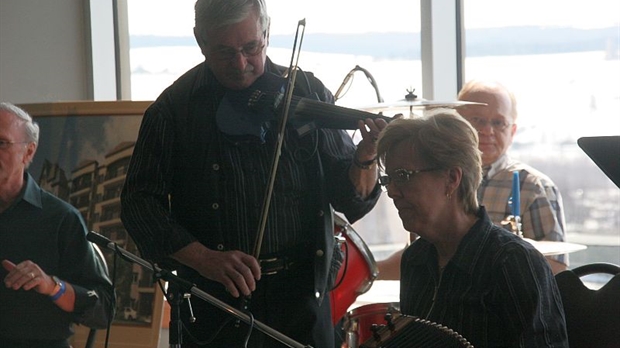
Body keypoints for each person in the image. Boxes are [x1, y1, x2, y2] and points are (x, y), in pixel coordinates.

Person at [120, 0, 383, 347]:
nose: (241, 65)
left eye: (250, 48)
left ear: (267, 33)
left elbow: (351, 201)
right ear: (200, 41)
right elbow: (138, 205)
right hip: (212, 304)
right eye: (225, 53)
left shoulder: (305, 93)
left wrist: (365, 158)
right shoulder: (174, 109)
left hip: (303, 300)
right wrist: (204, 259)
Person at [376, 111, 568, 347]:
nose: (393, 191)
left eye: (403, 176)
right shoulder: (415, 258)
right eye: (388, 180)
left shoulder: (514, 263)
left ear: (452, 178)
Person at [377, 80, 568, 278]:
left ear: (512, 132)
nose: (487, 130)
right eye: (477, 121)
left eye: (498, 122)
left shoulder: (534, 186)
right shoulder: (433, 177)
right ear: (458, 124)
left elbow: (555, 267)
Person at [0, 102, 115, 348]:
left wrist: (53, 286)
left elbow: (103, 306)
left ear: (29, 152)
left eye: (1, 143)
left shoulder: (61, 219)